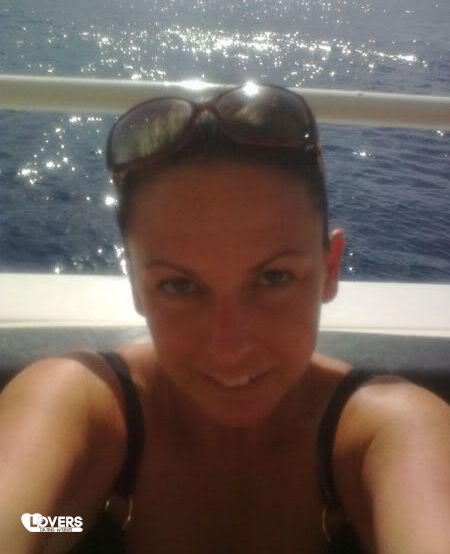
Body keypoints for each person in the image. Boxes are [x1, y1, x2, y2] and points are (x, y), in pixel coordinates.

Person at [0, 83, 449, 554]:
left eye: (274, 278)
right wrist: (65, 521)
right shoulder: (76, 405)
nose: (229, 346)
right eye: (179, 285)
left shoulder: (391, 433)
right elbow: (29, 519)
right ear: (134, 284)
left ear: (329, 269)